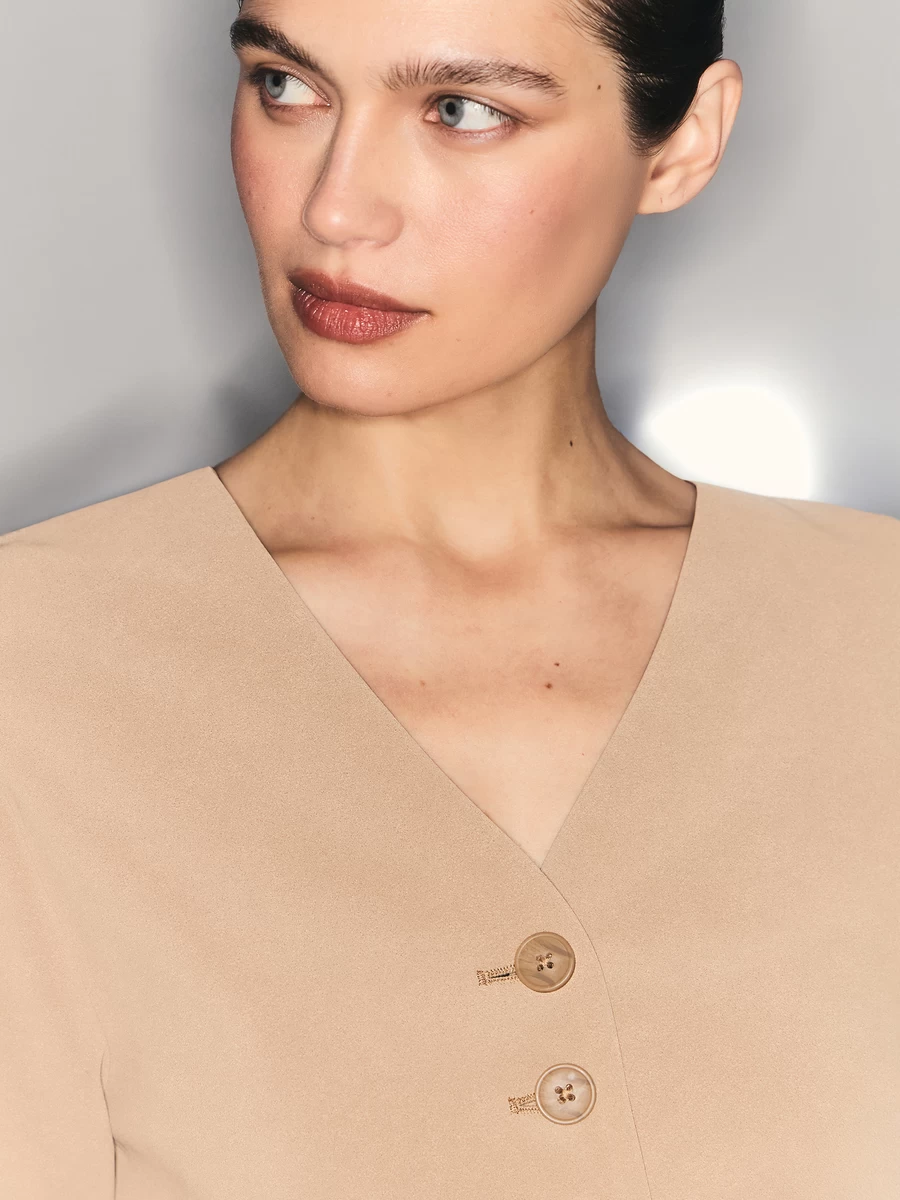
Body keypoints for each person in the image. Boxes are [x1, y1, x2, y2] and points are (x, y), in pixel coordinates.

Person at [1, 0, 897, 1197]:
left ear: (684, 141)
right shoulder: (35, 669)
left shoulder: (871, 632)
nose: (336, 208)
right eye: (286, 87)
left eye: (462, 111)